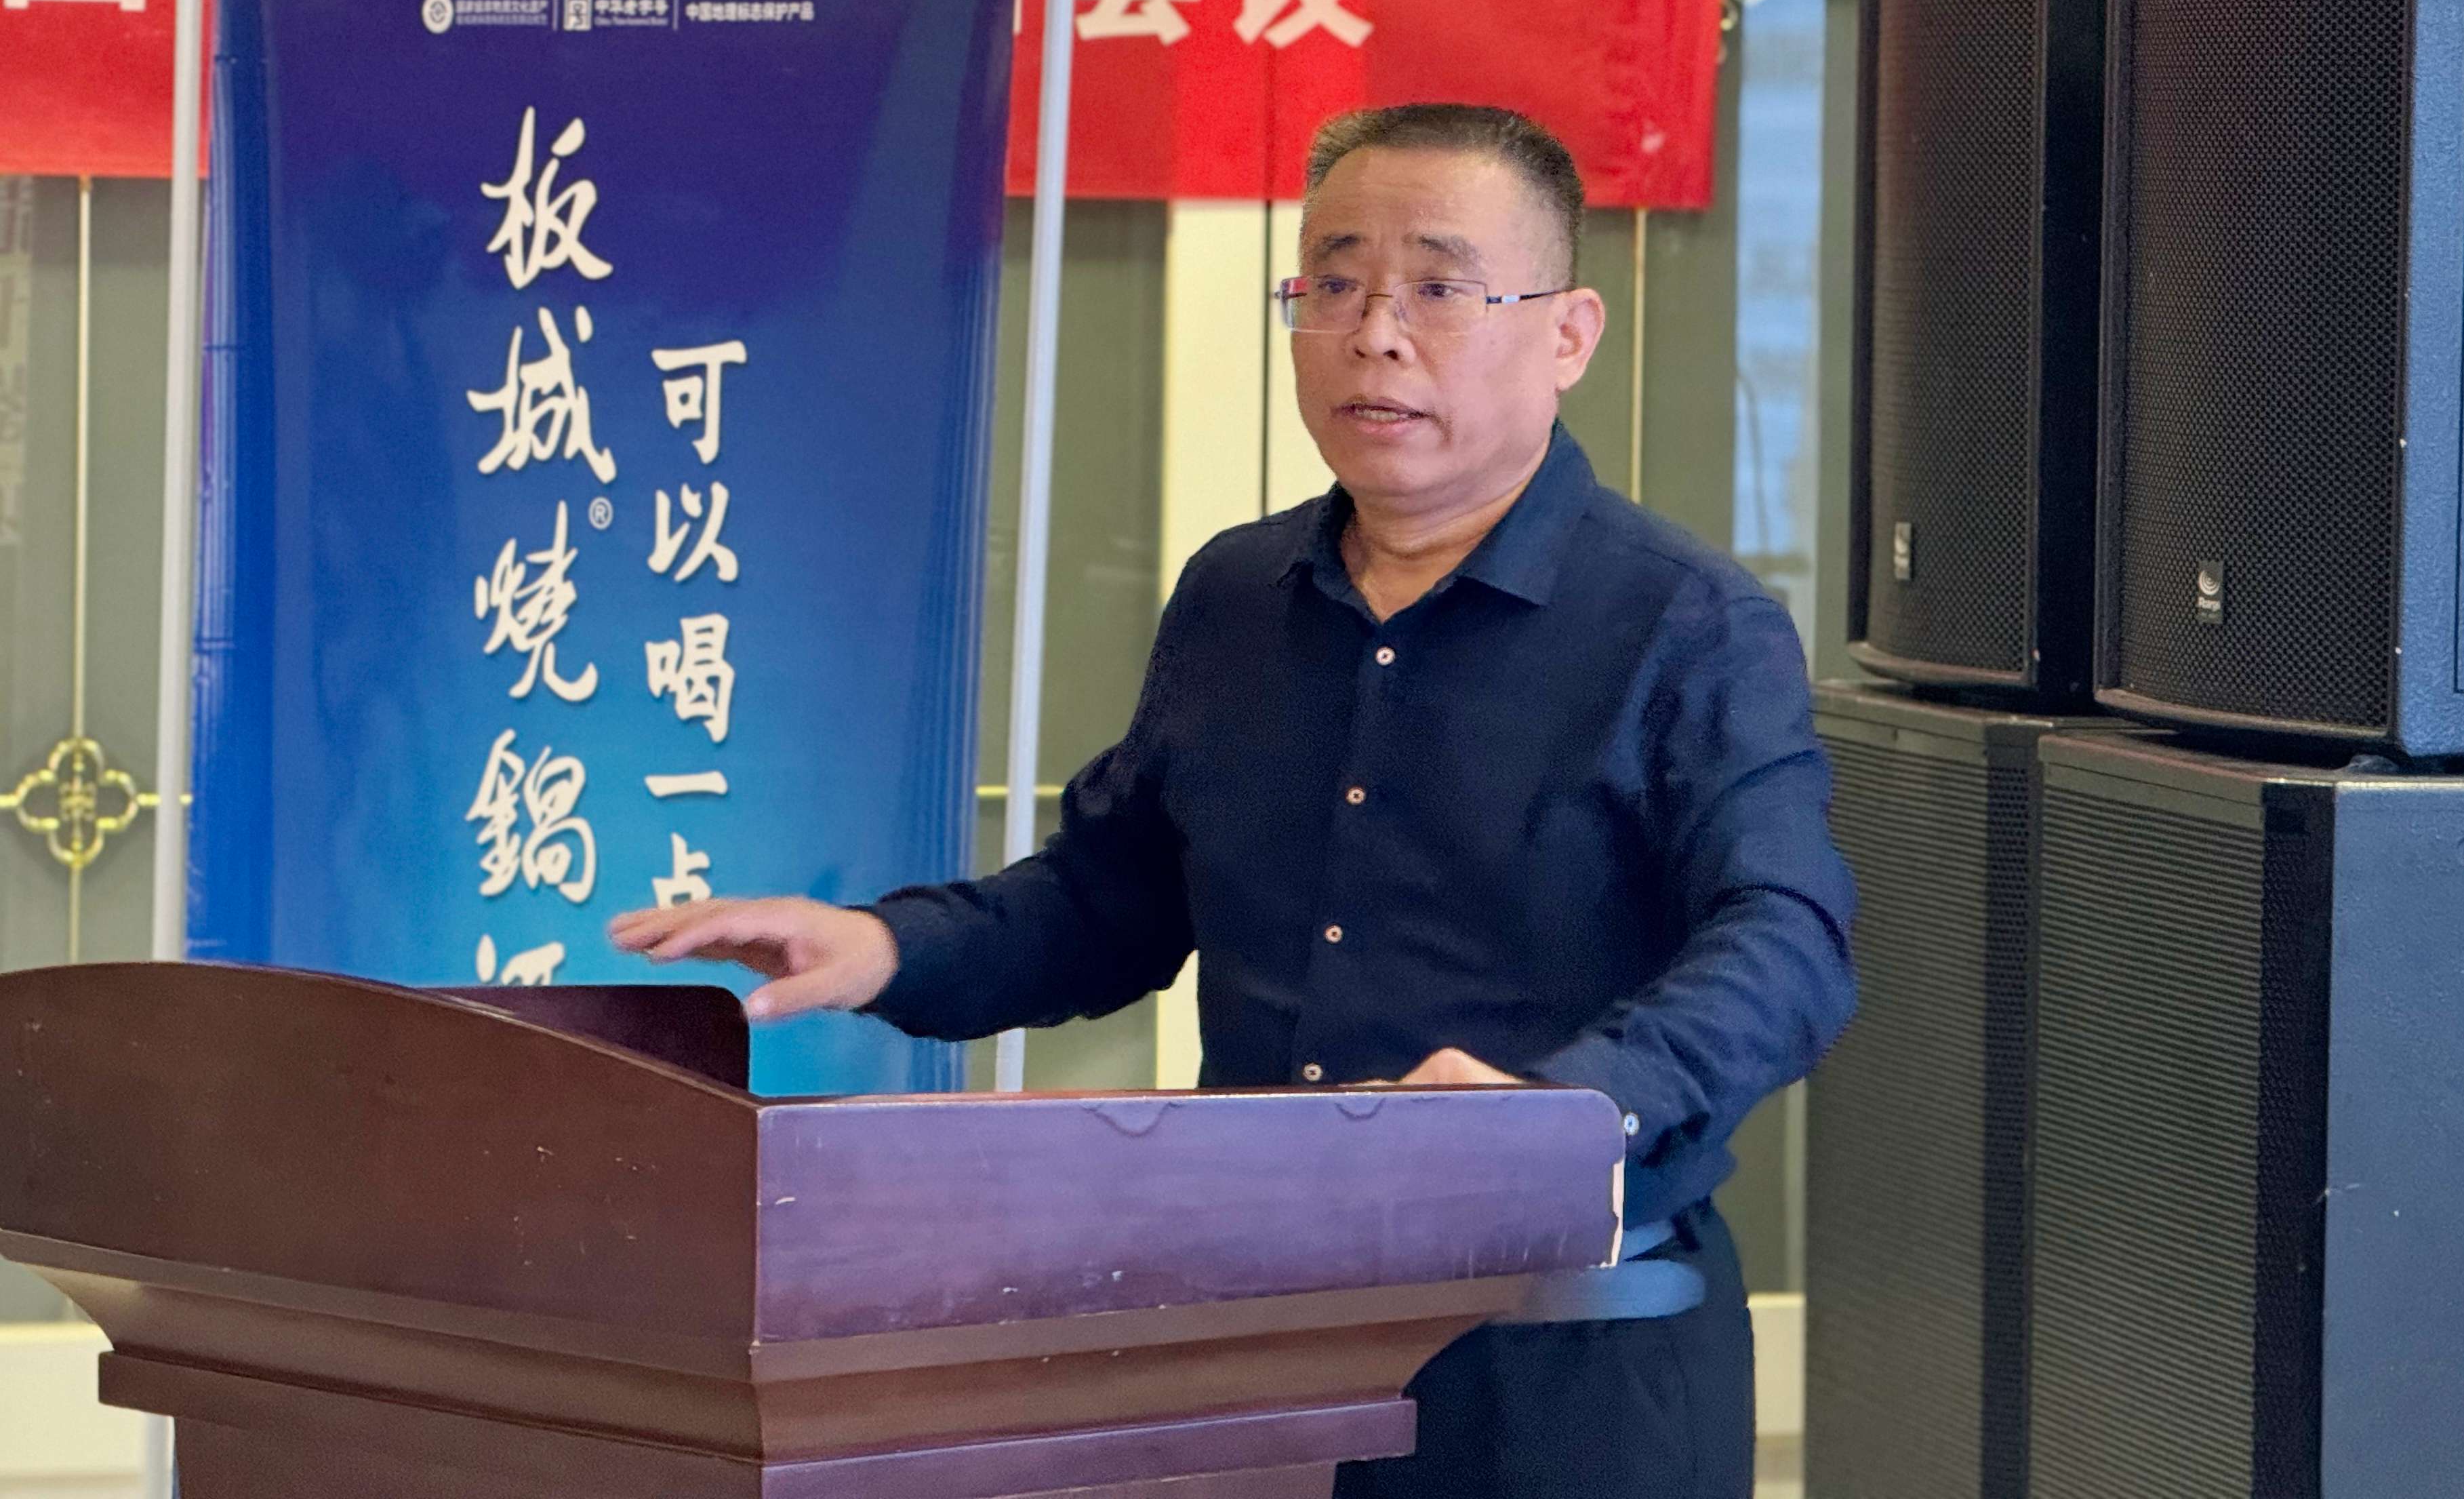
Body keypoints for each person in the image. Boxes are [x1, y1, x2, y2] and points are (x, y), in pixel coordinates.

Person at [611, 102, 1857, 1499]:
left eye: (1439, 289)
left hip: (1563, 1355)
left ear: (1568, 334)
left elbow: (1790, 942)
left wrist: (1563, 1114)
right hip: (1261, 1345)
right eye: (1335, 285)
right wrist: (886, 946)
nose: (1375, 335)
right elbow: (1109, 902)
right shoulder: (1237, 597)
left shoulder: (1686, 624)